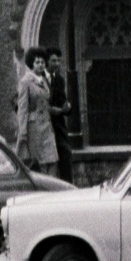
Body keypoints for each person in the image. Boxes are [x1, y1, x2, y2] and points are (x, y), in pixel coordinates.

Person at [16, 45, 59, 175]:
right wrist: (23, 132)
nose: (40, 65)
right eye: (37, 62)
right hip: (34, 129)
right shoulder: (26, 82)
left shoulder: (44, 81)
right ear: (31, 64)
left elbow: (45, 104)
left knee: (53, 160)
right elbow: (22, 108)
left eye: (42, 62)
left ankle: (51, 189)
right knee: (41, 164)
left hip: (46, 127)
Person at [46, 47, 73, 184]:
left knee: (66, 154)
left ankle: (67, 187)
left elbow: (62, 100)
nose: (57, 64)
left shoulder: (60, 80)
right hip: (45, 125)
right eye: (53, 60)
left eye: (58, 61)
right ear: (47, 62)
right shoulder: (39, 79)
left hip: (58, 126)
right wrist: (51, 110)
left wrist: (67, 108)